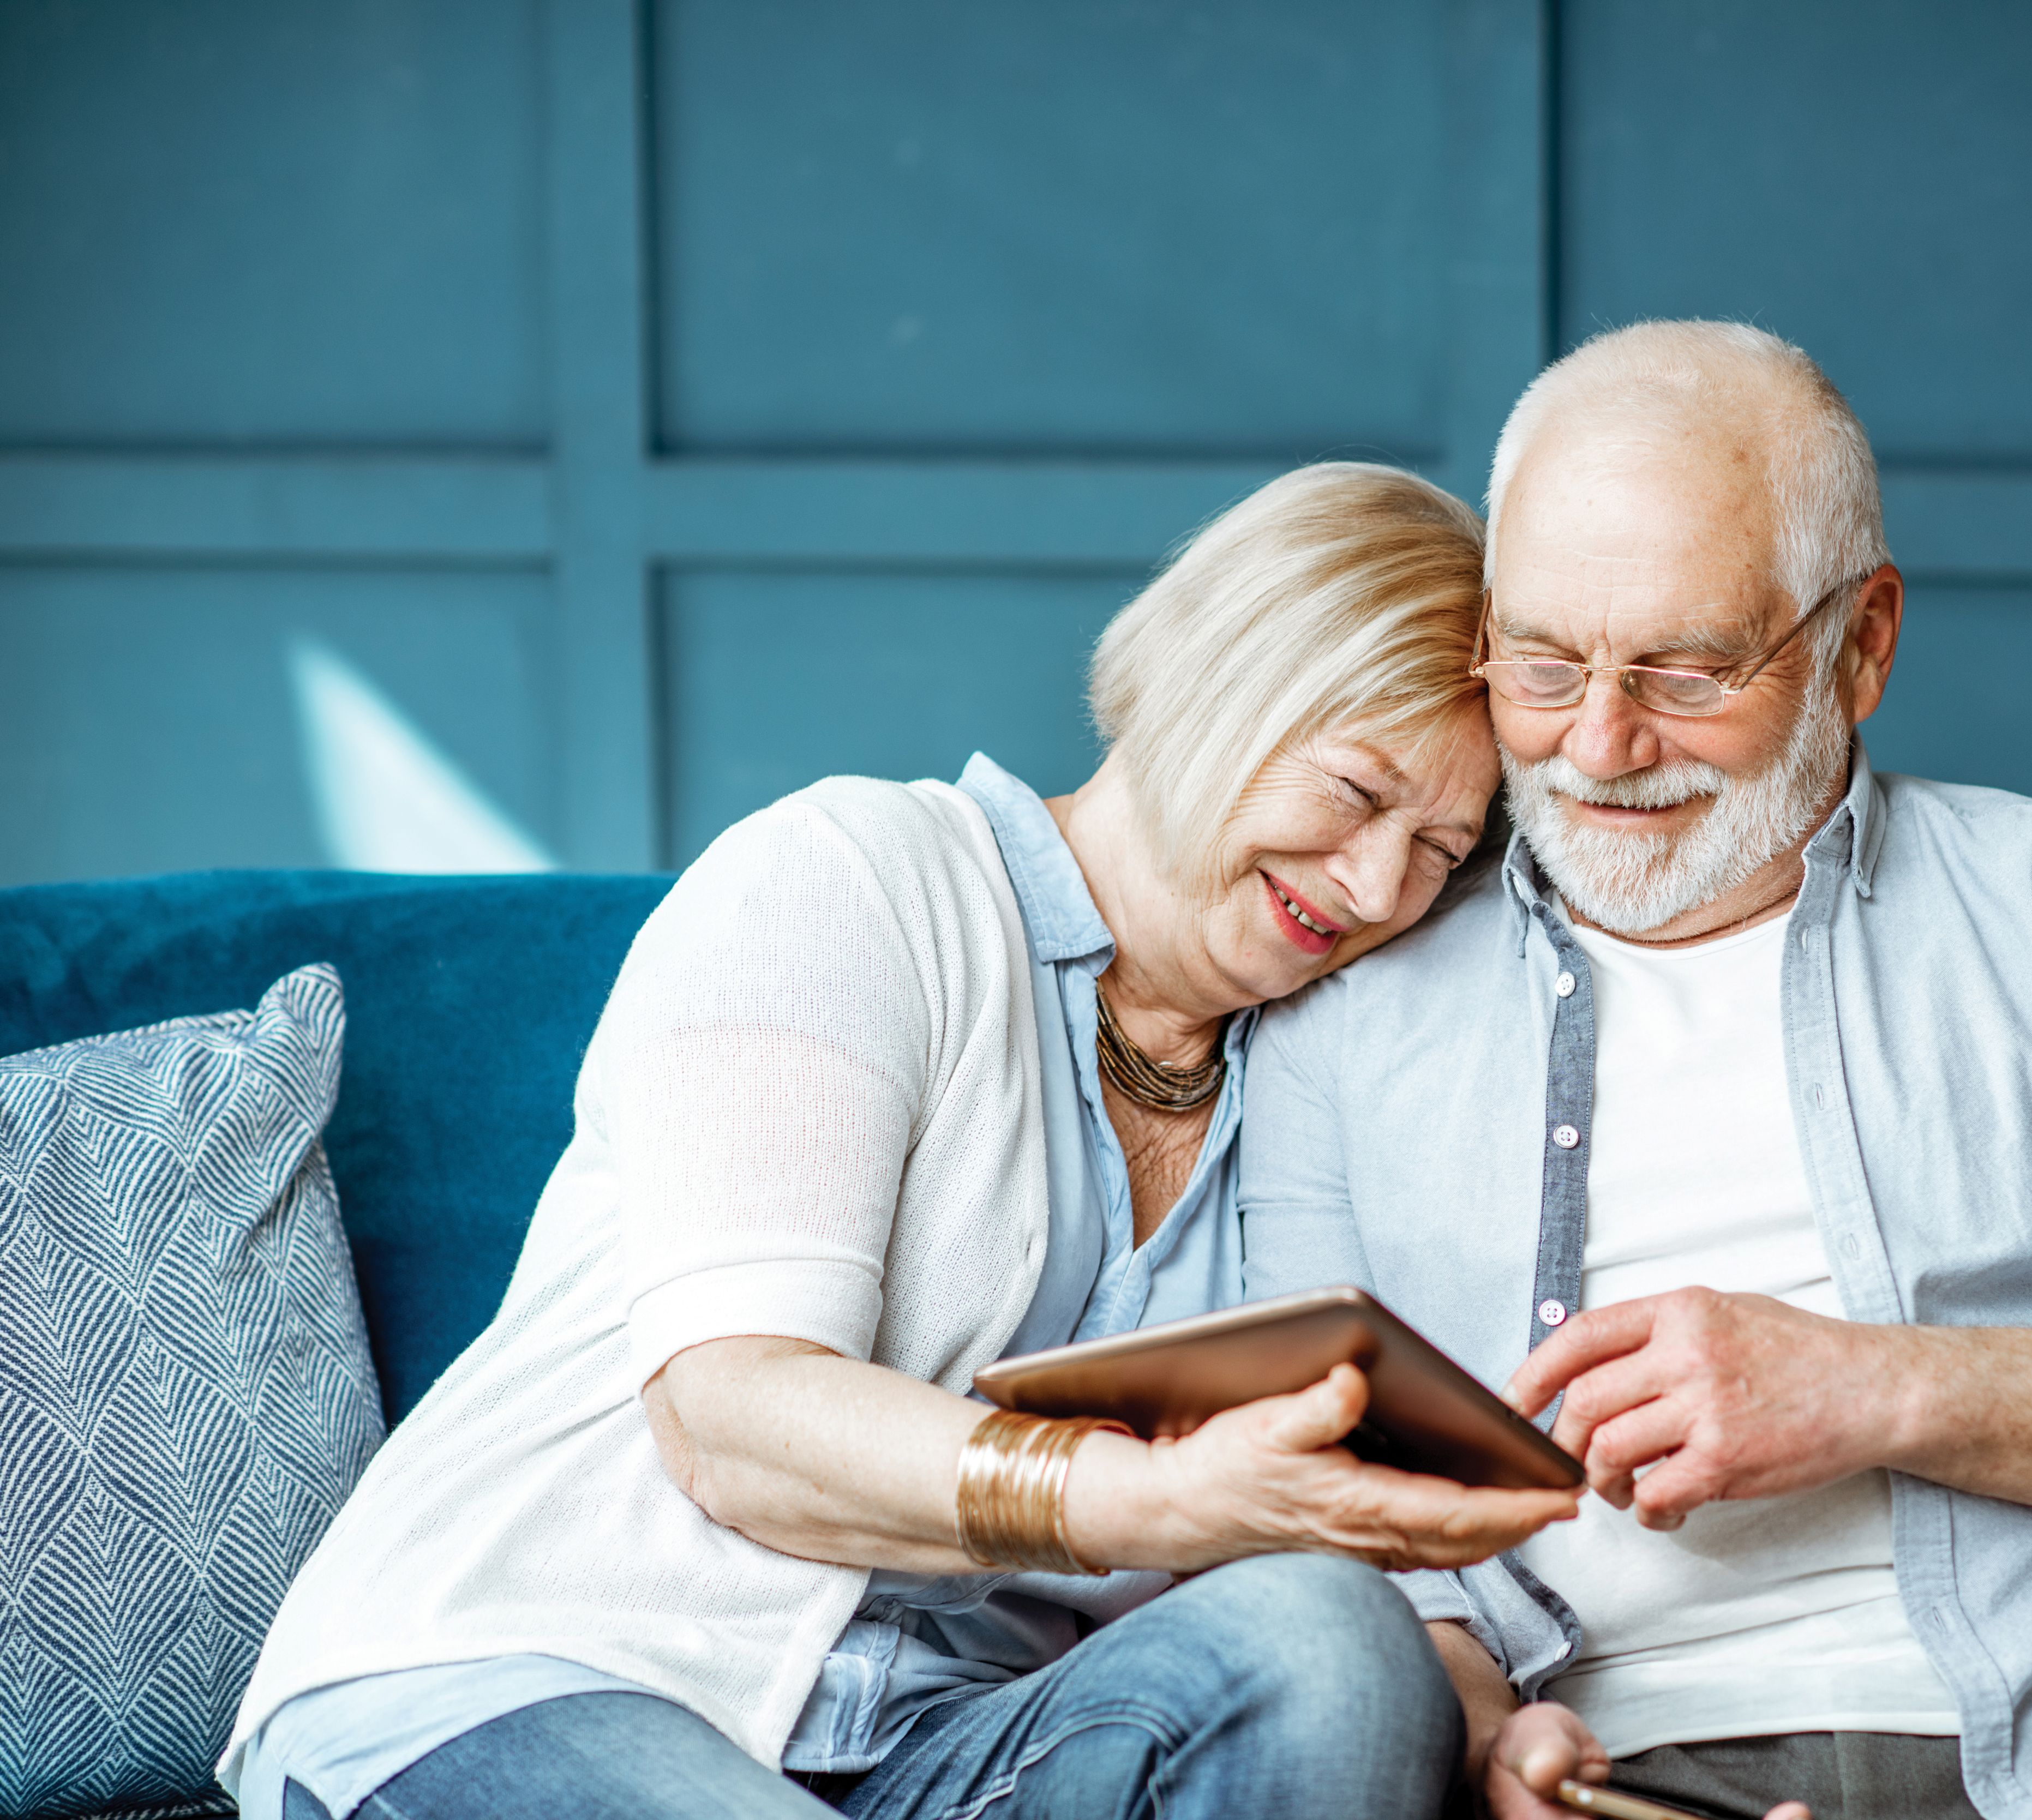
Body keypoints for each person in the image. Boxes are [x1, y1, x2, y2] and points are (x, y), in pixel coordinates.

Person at [220, 461, 1583, 1820]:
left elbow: (1365, 1546)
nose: (1373, 885)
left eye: (1438, 849)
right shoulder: (854, 872)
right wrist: (1145, 1498)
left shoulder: (1302, 1088)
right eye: (1355, 792)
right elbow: (732, 1421)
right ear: (1214, 682)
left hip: (946, 1751)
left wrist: (1488, 1735)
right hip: (548, 1666)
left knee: (1330, 1647)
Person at [1242, 325, 2032, 1820]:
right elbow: (1327, 1498)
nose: (1600, 746)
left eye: (1685, 668)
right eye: (1543, 665)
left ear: (1861, 643)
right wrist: (1480, 1724)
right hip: (1628, 1777)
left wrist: (1878, 1384)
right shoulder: (1348, 1008)